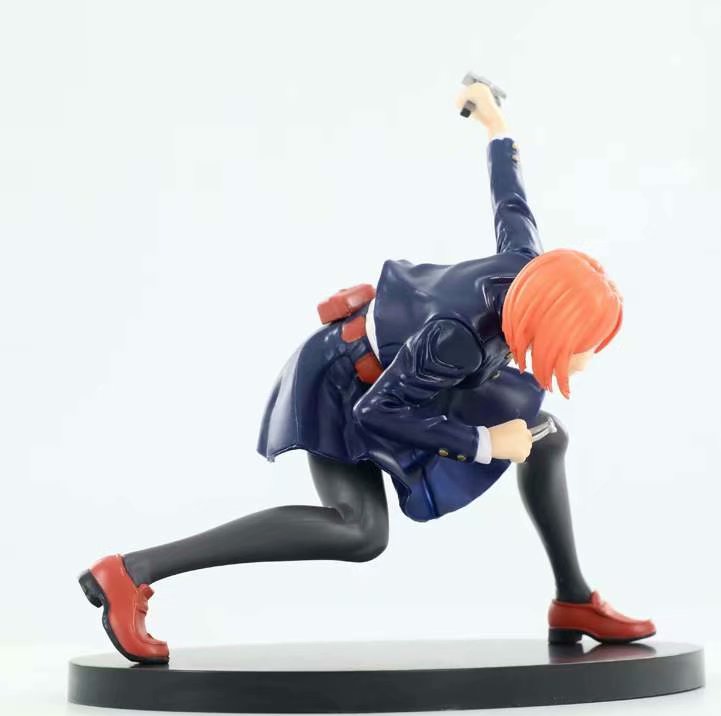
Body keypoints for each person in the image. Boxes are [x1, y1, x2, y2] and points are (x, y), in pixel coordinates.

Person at [79, 82, 655, 664]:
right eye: (583, 344)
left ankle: (573, 600)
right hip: (346, 382)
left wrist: (494, 125)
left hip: (416, 378)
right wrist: (485, 443)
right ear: (549, 320)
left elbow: (511, 200)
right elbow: (376, 411)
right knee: (359, 531)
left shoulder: (527, 269)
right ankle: (132, 571)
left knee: (546, 437)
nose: (587, 358)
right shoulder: (454, 338)